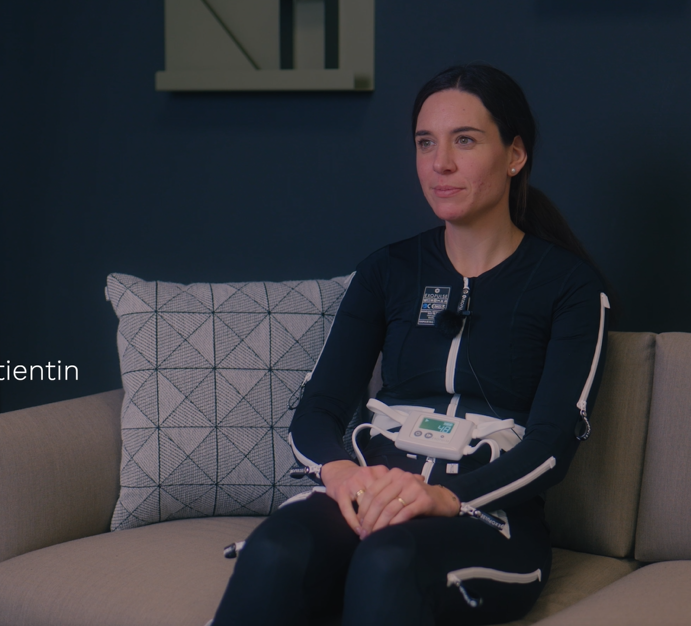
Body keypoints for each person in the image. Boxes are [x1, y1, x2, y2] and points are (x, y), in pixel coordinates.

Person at [212, 64, 611, 626]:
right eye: (426, 143)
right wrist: (343, 475)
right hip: (372, 492)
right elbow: (319, 408)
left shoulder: (570, 287)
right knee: (276, 550)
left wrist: (446, 496)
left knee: (387, 562)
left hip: (486, 519)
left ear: (515, 155)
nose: (439, 163)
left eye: (464, 141)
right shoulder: (388, 271)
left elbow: (550, 446)